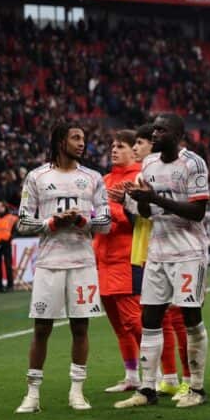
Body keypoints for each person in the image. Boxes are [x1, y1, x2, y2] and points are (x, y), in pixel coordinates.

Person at [114, 113, 210, 410]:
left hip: (188, 252)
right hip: (158, 251)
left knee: (190, 318)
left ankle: (196, 387)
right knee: (150, 319)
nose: (155, 134)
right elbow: (145, 213)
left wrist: (155, 199)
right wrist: (140, 198)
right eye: (154, 129)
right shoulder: (149, 164)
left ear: (178, 134)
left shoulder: (193, 163)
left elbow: (197, 212)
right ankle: (147, 388)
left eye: (161, 129)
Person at [14, 121, 110, 413]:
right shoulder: (37, 177)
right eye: (76, 138)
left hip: (82, 262)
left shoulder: (93, 178)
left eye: (84, 138)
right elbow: (23, 221)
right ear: (60, 142)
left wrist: (83, 221)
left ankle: (77, 392)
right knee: (41, 328)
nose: (83, 143)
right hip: (49, 263)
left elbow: (105, 223)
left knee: (80, 327)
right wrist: (53, 222)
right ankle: (32, 395)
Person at [121, 123, 191, 398]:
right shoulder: (146, 171)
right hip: (150, 251)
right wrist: (131, 201)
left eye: (140, 143)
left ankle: (187, 379)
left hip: (180, 250)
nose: (139, 146)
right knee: (154, 318)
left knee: (179, 318)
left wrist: (146, 200)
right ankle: (161, 379)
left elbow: (191, 210)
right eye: (136, 142)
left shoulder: (185, 165)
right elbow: (144, 214)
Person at [94, 130, 143, 393]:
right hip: (102, 258)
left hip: (126, 258)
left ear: (132, 150)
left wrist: (110, 210)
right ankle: (131, 375)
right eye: (113, 145)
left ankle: (155, 373)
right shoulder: (104, 179)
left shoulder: (138, 178)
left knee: (134, 321)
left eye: (120, 146)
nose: (114, 150)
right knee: (117, 324)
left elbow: (136, 219)